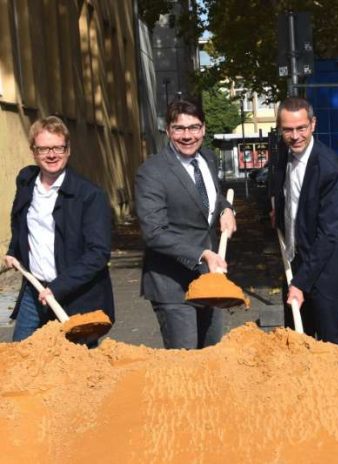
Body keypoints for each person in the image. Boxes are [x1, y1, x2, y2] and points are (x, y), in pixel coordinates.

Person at [135, 100, 236, 349]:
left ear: (203, 129)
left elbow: (213, 198)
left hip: (209, 281)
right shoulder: (152, 172)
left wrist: (226, 209)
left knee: (212, 358)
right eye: (179, 129)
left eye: (194, 127)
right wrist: (201, 254)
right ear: (168, 131)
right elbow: (154, 232)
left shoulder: (208, 159)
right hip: (172, 286)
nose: (187, 136)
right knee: (186, 368)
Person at [4, 116, 114, 341]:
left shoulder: (89, 195)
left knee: (75, 365)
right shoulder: (26, 180)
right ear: (34, 151)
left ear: (68, 150)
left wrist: (58, 287)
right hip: (34, 290)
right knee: (21, 356)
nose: (51, 155)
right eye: (44, 149)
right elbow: (19, 219)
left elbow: (98, 254)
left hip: (76, 295)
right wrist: (13, 251)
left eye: (58, 148)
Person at [270, 96, 338, 344]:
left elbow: (329, 235)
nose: (295, 136)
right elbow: (280, 193)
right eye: (288, 130)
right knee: (296, 346)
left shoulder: (330, 168)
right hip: (294, 265)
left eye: (301, 128)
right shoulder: (281, 155)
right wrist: (277, 213)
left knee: (330, 352)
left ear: (313, 124)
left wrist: (301, 283)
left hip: (325, 274)